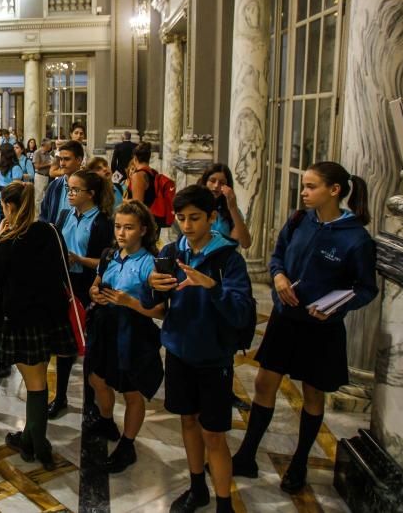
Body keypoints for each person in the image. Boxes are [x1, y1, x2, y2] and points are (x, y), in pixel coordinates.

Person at [232, 162, 377, 496]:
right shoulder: (300, 219)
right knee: (264, 381)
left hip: (320, 328)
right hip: (285, 320)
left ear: (335, 190)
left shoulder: (356, 238)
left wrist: (336, 306)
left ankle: (299, 462)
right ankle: (247, 453)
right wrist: (279, 275)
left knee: (312, 394)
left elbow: (365, 288)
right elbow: (278, 254)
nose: (304, 192)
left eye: (311, 186)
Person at [143, 185, 255, 513]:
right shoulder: (170, 253)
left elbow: (241, 312)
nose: (187, 225)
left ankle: (224, 503)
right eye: (181, 218)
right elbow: (155, 303)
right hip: (179, 350)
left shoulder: (228, 260)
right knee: (188, 421)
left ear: (212, 217)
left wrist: (211, 286)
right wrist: (151, 287)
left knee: (215, 434)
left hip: (213, 356)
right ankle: (197, 488)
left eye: (195, 218)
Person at [0, 182, 76, 471]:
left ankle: (37, 444)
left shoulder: (8, 240)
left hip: (19, 321)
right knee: (37, 384)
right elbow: (64, 270)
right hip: (49, 318)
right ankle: (31, 439)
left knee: (36, 383)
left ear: (8, 207)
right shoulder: (50, 231)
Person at [86, 200, 165, 473]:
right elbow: (96, 283)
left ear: (143, 230)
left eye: (129, 228)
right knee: (97, 378)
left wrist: (128, 302)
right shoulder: (109, 254)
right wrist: (94, 293)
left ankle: (128, 444)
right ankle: (107, 420)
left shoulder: (148, 264)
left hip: (133, 331)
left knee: (132, 391)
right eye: (118, 227)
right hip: (105, 327)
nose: (121, 233)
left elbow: (160, 311)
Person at [51, 170, 114, 418]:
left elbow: (107, 261)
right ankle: (60, 396)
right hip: (64, 284)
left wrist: (77, 259)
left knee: (89, 347)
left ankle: (91, 402)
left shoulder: (102, 222)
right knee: (64, 346)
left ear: (91, 194)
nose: (70, 194)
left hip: (88, 286)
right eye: (69, 189)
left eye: (76, 190)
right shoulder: (66, 215)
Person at [199, 163, 252, 248]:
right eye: (212, 181)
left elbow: (246, 243)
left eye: (222, 183)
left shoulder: (229, 210)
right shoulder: (194, 205)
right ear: (205, 182)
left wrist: (233, 207)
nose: (216, 186)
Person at [39, 140, 84, 225]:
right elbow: (44, 215)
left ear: (79, 160)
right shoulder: (54, 186)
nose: (62, 164)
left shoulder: (89, 186)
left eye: (67, 159)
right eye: (60, 159)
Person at [32, 138, 54, 214]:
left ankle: (42, 214)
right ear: (45, 145)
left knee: (44, 196)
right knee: (38, 197)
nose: (50, 146)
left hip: (47, 176)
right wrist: (48, 164)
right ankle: (36, 215)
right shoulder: (37, 153)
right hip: (39, 176)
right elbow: (36, 166)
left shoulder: (48, 154)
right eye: (49, 145)